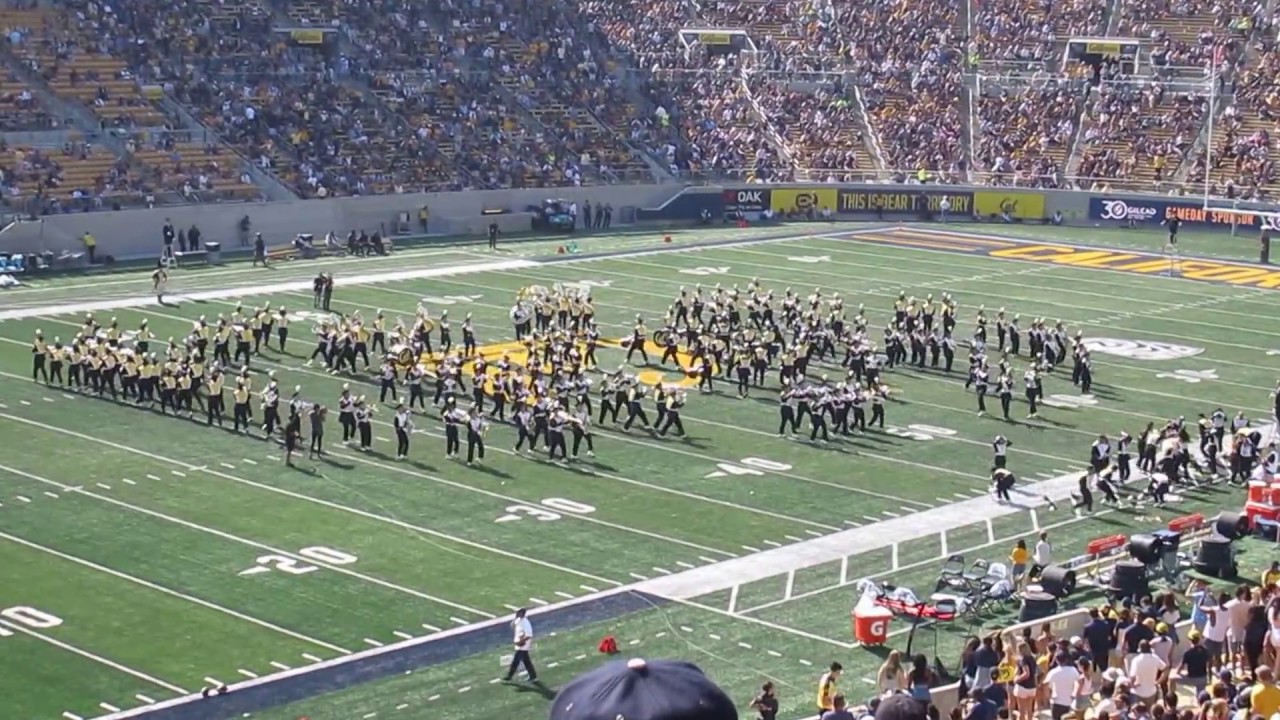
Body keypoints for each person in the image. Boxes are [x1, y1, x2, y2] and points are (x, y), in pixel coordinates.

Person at [504, 608, 537, 683]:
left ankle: (509, 676)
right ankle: (533, 676)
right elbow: (512, 625)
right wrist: (515, 619)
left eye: (518, 613)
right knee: (526, 661)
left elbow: (529, 635)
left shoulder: (526, 623)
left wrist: (521, 642)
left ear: (522, 613)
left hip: (523, 645)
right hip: (519, 645)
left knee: (516, 661)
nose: (517, 613)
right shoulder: (518, 620)